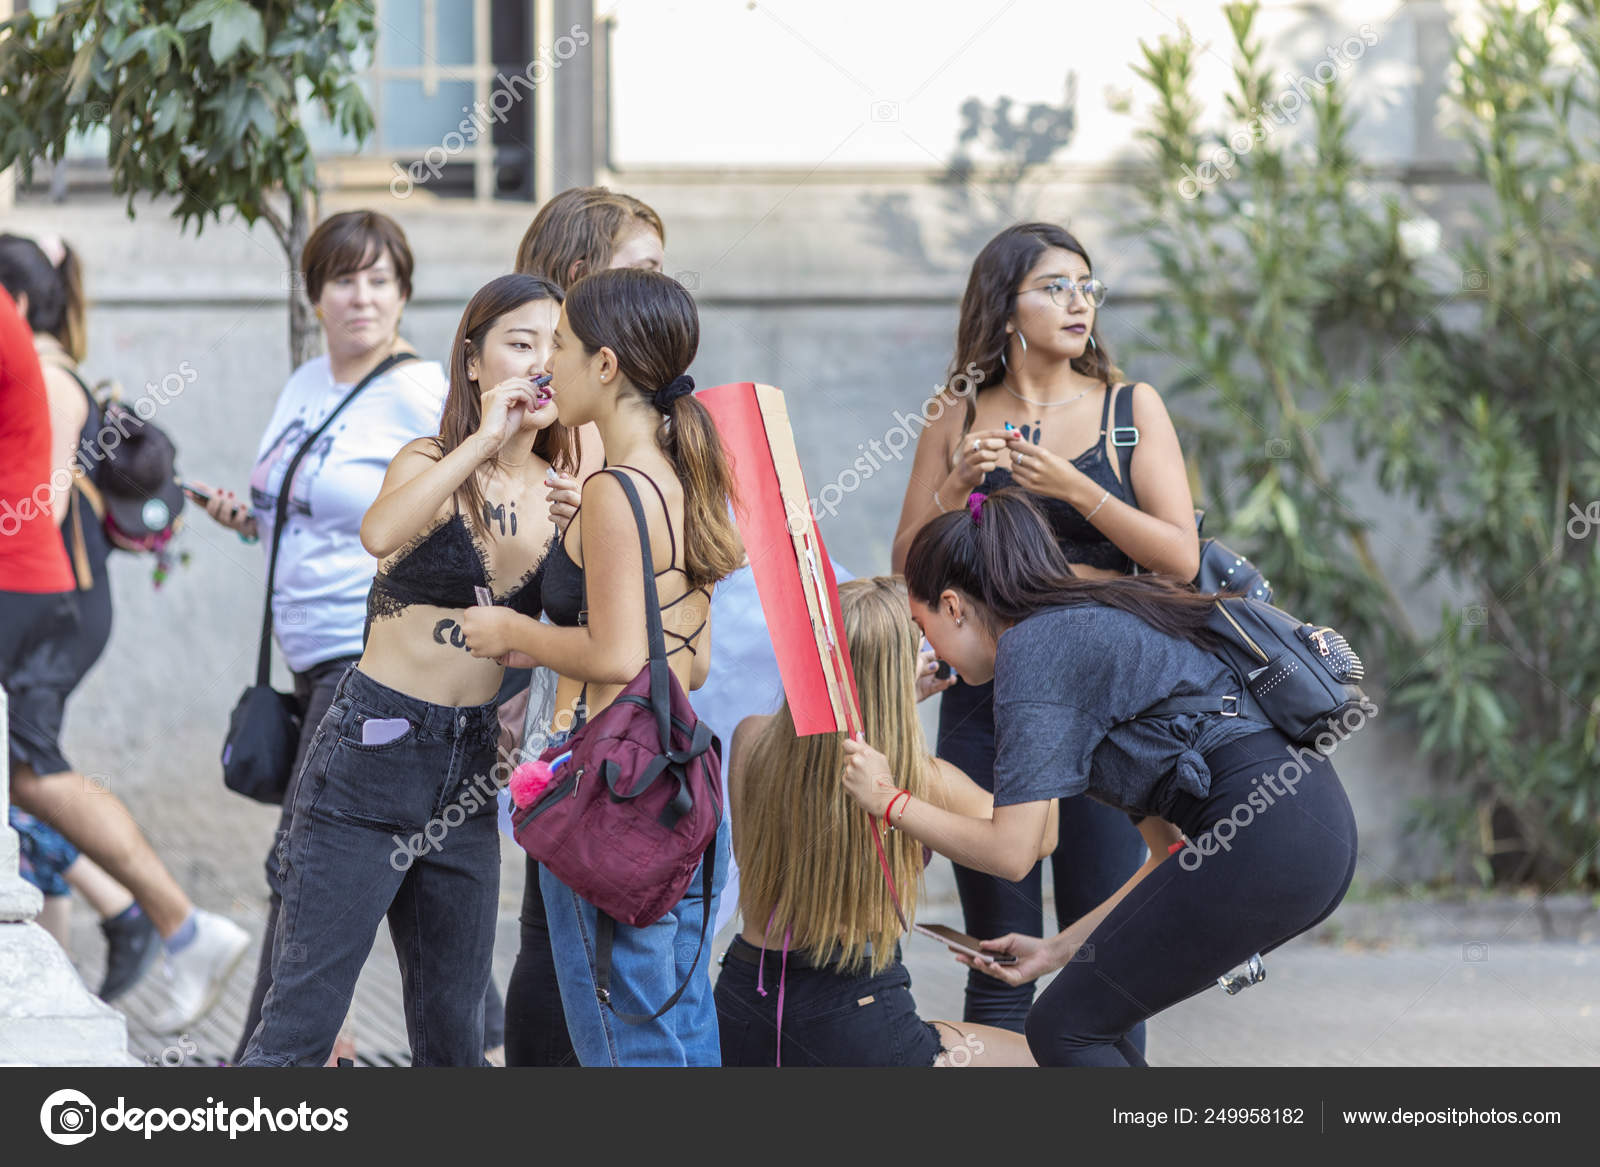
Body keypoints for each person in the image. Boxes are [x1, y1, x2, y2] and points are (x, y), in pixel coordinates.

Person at [845, 490, 1357, 1066]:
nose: (929, 650)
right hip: (1308, 832)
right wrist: (1057, 949)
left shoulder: (1032, 648)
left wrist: (888, 801)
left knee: (1064, 1028)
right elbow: (1170, 856)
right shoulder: (1085, 621)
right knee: (1091, 1026)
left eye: (922, 624)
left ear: (954, 605)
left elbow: (1013, 851)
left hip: (1269, 835)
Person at [193, 211, 505, 1063]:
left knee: (302, 866)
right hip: (302, 661)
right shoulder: (305, 384)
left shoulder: (415, 395)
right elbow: (315, 506)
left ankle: (261, 1067)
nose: (360, 296)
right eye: (342, 278)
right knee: (367, 872)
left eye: (378, 279)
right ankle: (478, 1024)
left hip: (362, 660)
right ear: (315, 294)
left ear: (404, 293)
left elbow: (453, 518)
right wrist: (246, 515)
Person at [239, 273, 573, 1066]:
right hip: (371, 748)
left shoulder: (569, 490)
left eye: (557, 346)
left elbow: (583, 632)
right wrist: (483, 441)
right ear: (471, 363)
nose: (541, 364)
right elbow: (381, 531)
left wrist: (580, 524)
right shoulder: (430, 456)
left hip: (468, 769)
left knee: (454, 1036)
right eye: (521, 344)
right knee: (302, 1021)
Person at [888, 222, 1201, 1042]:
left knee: (1106, 959)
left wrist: (1071, 485)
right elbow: (909, 567)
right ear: (1004, 306)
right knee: (996, 952)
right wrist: (955, 485)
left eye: (1087, 285)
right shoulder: (956, 413)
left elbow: (1178, 559)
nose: (1078, 302)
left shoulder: (1129, 410)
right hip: (987, 702)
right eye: (1056, 286)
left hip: (1104, 709)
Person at [460, 268, 743, 1066]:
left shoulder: (616, 490)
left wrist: (515, 628)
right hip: (683, 780)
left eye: (564, 346)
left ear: (607, 366)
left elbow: (618, 656)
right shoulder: (685, 470)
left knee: (623, 1044)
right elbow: (693, 658)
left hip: (614, 787)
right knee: (679, 1025)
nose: (550, 364)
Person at [0, 242, 246, 1032]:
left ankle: (179, 924)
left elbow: (35, 499)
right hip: (57, 596)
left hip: (55, 598)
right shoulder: (49, 368)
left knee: (34, 772)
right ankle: (154, 923)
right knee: (24, 770)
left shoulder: (44, 375)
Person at [717, 576, 1044, 1067]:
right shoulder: (925, 780)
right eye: (919, 645)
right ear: (893, 673)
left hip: (745, 1004)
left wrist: (885, 710)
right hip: (856, 1018)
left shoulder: (752, 740)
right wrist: (1037, 711)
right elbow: (1041, 837)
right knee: (1041, 1059)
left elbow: (817, 776)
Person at [501, 186, 668, 1067]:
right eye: (642, 269)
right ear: (579, 280)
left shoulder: (640, 439)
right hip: (563, 741)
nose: (663, 288)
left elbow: (634, 638)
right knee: (559, 949)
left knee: (582, 957)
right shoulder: (536, 420)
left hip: (609, 747)